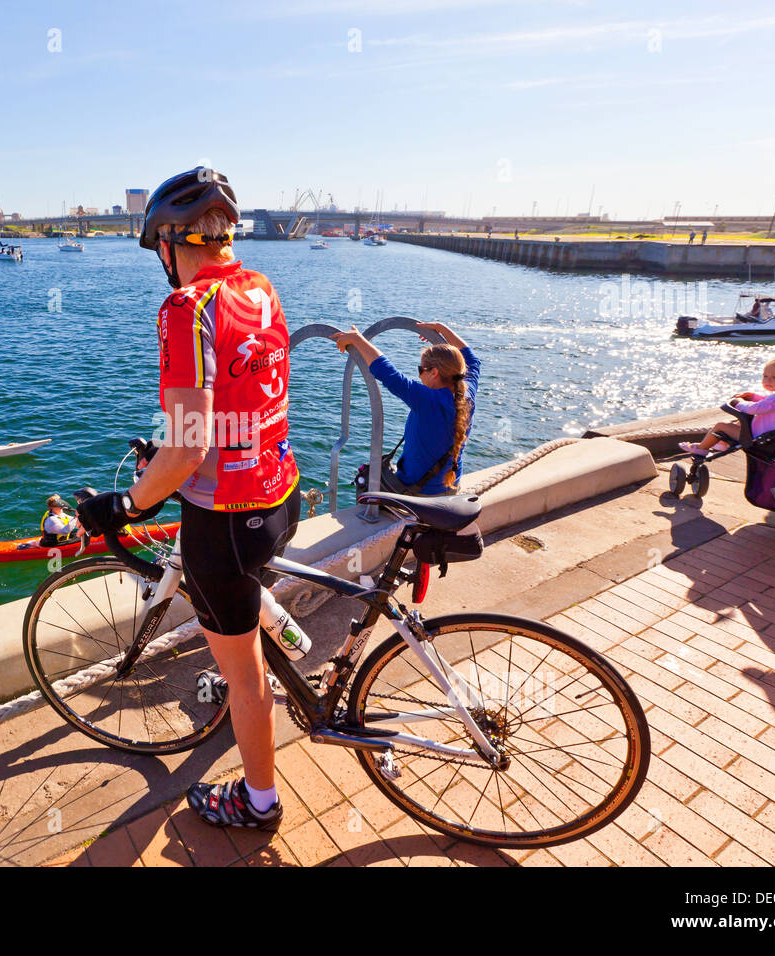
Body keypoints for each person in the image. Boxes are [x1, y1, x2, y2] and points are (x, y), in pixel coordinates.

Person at [76, 167, 300, 832]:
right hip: (279, 492)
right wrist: (171, 461)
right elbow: (241, 405)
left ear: (172, 242)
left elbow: (187, 450)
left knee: (246, 676)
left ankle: (258, 802)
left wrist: (129, 505)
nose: (161, 266)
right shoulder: (259, 287)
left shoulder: (185, 308)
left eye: (158, 251)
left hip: (225, 523)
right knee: (245, 605)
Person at [334, 321, 480, 495]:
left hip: (420, 494)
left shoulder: (428, 400)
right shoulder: (467, 392)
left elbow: (389, 374)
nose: (419, 375)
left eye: (421, 369)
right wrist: (442, 329)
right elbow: (472, 360)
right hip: (451, 488)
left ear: (434, 373)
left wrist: (358, 340)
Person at [678, 354, 775, 455]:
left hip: (759, 437)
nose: (768, 380)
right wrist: (754, 397)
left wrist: (738, 403)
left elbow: (754, 409)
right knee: (739, 422)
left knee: (721, 426)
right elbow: (769, 403)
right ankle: (721, 443)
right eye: (765, 376)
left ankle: (701, 449)